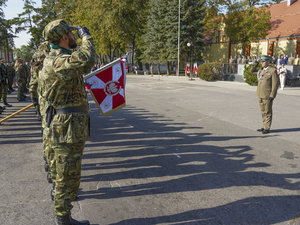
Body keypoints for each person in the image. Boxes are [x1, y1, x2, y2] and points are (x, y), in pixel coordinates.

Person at [41, 19, 95, 225]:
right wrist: (86, 36)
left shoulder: (58, 59)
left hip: (66, 127)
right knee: (67, 178)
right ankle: (63, 220)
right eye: (72, 34)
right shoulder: (57, 61)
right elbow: (87, 58)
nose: (75, 37)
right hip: (66, 129)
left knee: (63, 176)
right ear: (65, 37)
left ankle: (64, 215)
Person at [255, 55, 279, 134]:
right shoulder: (261, 70)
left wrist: (272, 95)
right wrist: (254, 65)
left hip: (267, 95)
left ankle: (267, 127)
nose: (262, 63)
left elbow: (275, 84)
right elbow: (251, 71)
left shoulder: (272, 71)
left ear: (268, 61)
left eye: (264, 61)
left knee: (268, 112)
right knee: (262, 111)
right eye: (261, 61)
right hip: (260, 94)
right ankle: (264, 125)